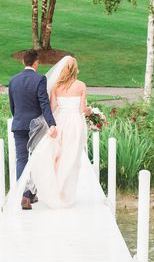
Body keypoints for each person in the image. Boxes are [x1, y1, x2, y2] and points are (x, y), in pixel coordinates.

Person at [12, 56, 93, 210]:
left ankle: (38, 192)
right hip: (75, 123)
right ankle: (63, 192)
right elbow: (83, 109)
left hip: (59, 121)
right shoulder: (81, 85)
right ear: (75, 69)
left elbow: (52, 108)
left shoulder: (56, 86)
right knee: (70, 157)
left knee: (55, 156)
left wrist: (50, 125)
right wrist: (93, 112)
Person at [8, 50, 57, 210]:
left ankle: (24, 194)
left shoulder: (13, 80)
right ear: (36, 63)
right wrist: (51, 124)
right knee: (36, 159)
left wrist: (19, 119)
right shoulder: (40, 79)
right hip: (35, 126)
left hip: (19, 124)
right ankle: (30, 195)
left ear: (23, 62)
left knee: (21, 160)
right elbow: (44, 103)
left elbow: (12, 106)